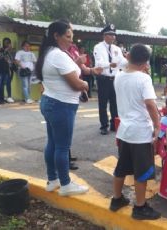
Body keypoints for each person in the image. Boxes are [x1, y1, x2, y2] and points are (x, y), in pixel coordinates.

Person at [35, 20, 89, 196]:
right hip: (61, 105)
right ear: (56, 36)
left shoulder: (48, 53)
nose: (71, 41)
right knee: (62, 147)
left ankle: (53, 180)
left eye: (71, 37)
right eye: (68, 36)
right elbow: (75, 84)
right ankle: (66, 184)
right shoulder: (57, 55)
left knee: (53, 143)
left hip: (50, 101)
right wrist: (85, 84)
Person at [111, 44, 161, 220]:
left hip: (124, 131)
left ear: (129, 56)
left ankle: (117, 199)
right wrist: (157, 125)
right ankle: (140, 207)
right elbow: (150, 104)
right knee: (143, 171)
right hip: (140, 133)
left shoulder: (119, 76)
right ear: (145, 61)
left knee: (122, 167)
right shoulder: (144, 79)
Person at [93, 24, 128, 135]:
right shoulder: (98, 47)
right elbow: (99, 63)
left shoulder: (117, 49)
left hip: (115, 79)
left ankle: (114, 124)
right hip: (103, 79)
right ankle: (104, 125)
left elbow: (122, 63)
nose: (113, 37)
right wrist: (110, 64)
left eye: (114, 35)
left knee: (115, 103)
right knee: (103, 104)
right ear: (105, 35)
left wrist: (130, 60)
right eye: (110, 35)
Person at [2, 38, 16, 103]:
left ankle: (9, 96)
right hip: (3, 68)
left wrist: (10, 51)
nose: (7, 44)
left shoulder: (13, 51)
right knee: (3, 83)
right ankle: (3, 96)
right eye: (5, 42)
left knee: (8, 82)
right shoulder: (2, 50)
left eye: (8, 43)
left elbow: (14, 59)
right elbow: (1, 57)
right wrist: (5, 51)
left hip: (10, 68)